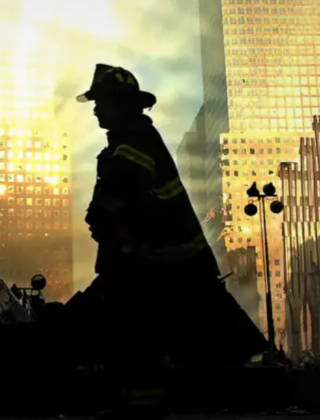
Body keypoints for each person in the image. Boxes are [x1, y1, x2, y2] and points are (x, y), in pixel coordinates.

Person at [78, 64, 223, 420]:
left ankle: (142, 408)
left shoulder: (133, 145)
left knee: (136, 332)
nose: (95, 110)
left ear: (120, 103)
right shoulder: (132, 141)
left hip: (157, 261)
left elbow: (120, 199)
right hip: (159, 259)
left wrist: (102, 220)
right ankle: (141, 402)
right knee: (139, 333)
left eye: (100, 102)